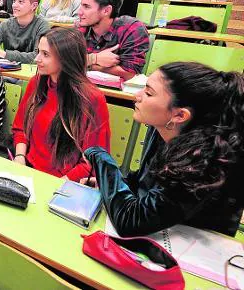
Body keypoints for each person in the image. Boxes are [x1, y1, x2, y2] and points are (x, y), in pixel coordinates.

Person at [84, 62, 244, 237]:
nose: (137, 96)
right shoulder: (163, 130)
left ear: (179, 115)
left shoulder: (203, 161)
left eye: (148, 93)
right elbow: (143, 183)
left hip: (190, 251)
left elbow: (130, 221)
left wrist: (101, 159)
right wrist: (111, 184)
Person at [11, 28, 110, 181]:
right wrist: (19, 157)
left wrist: (61, 183)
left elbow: (93, 159)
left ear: (65, 59)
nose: (37, 58)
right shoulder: (36, 83)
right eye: (38, 51)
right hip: (28, 169)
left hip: (66, 181)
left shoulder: (92, 98)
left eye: (45, 54)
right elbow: (20, 128)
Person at [78, 0, 150, 81]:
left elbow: (131, 73)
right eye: (81, 5)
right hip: (84, 89)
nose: (79, 12)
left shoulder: (132, 29)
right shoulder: (80, 27)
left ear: (106, 11)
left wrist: (87, 65)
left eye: (86, 7)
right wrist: (94, 59)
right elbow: (62, 60)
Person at [0, 0, 50, 64]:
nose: (14, 5)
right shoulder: (5, 24)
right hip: (8, 73)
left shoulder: (42, 26)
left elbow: (37, 56)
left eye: (21, 1)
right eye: (14, 0)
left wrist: (4, 54)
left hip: (31, 73)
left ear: (34, 6)